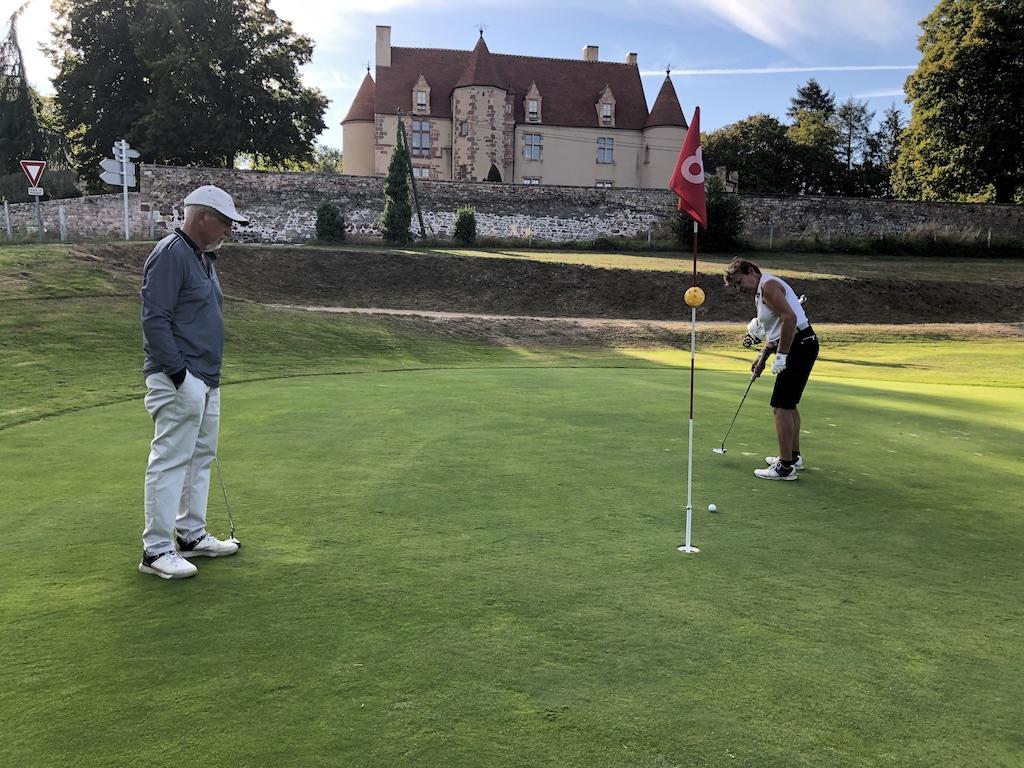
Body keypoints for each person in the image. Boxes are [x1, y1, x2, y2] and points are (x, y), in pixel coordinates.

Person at [138, 185, 249, 579]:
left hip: (207, 378)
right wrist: (179, 374)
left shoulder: (203, 257)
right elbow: (155, 319)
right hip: (178, 378)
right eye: (224, 222)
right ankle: (156, 550)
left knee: (201, 458)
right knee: (170, 459)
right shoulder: (171, 254)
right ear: (202, 218)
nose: (229, 231)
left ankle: (190, 534)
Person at [724, 257, 819, 481]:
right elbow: (775, 329)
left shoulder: (768, 286)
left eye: (739, 282)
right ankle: (793, 457)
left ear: (750, 271)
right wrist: (763, 356)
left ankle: (785, 467)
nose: (739, 289)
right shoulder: (761, 292)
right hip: (801, 344)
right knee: (788, 404)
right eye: (735, 286)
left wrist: (782, 356)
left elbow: (790, 318)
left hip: (800, 344)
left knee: (781, 407)